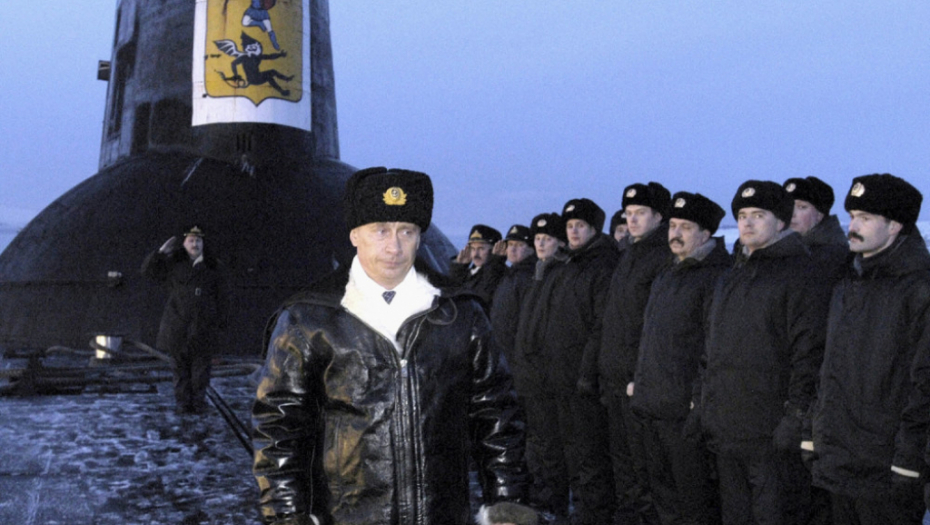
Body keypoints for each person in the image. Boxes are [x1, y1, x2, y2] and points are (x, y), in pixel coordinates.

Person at [251, 167, 534, 525]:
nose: (394, 246)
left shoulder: (460, 314)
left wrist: (508, 502)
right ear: (355, 235)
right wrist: (287, 517)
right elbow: (278, 428)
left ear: (419, 237)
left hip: (441, 515)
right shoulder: (309, 318)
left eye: (406, 231)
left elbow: (497, 415)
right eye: (380, 230)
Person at [699, 180, 832, 525]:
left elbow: (809, 354)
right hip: (728, 427)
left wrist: (796, 417)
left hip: (771, 433)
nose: (747, 222)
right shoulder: (731, 276)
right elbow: (712, 349)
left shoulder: (801, 274)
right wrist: (705, 406)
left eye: (759, 215)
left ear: (781, 221)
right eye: (742, 215)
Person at [808, 174, 929, 524]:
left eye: (865, 218)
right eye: (852, 216)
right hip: (840, 462)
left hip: (887, 469)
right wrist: (814, 434)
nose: (853, 226)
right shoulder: (848, 284)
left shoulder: (919, 289)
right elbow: (828, 368)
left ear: (894, 226)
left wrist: (909, 460)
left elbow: (924, 383)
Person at [632, 192, 729, 525]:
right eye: (673, 225)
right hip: (653, 406)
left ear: (705, 233)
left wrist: (696, 403)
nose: (675, 234)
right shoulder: (667, 274)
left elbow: (712, 346)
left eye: (685, 227)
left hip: (684, 412)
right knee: (663, 496)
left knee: (694, 501)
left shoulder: (715, 276)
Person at [520, 199, 619, 524]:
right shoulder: (569, 268)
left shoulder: (602, 266)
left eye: (580, 226)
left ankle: (594, 517)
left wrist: (586, 375)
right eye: (570, 226)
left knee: (589, 459)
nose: (574, 231)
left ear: (594, 229)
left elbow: (600, 326)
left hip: (583, 383)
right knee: (568, 456)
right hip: (559, 381)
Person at [599, 181, 672, 525]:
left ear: (658, 216)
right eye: (628, 213)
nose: (632, 219)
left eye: (640, 212)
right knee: (624, 465)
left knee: (647, 469)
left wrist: (640, 375)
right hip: (615, 377)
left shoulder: (661, 257)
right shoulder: (628, 254)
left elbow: (654, 326)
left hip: (639, 382)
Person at [515, 212, 571, 521]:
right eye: (537, 239)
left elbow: (553, 328)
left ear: (559, 242)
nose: (540, 244)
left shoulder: (559, 274)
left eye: (546, 239)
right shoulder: (539, 273)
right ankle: (542, 499)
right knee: (537, 444)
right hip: (530, 375)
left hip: (547, 376)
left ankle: (553, 503)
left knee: (550, 446)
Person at [142, 225, 228, 414]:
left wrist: (220, 325)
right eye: (191, 240)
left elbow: (222, 297)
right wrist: (160, 253)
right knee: (180, 372)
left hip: (202, 327)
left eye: (198, 240)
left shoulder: (213, 267)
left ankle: (198, 404)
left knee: (200, 373)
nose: (194, 244)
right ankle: (183, 405)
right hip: (178, 326)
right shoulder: (174, 264)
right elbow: (149, 272)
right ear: (184, 244)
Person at [783, 176, 848, 282]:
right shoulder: (788, 250)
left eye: (802, 207)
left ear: (819, 215)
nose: (792, 214)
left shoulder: (832, 258)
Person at [450, 224, 507, 310]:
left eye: (481, 249)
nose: (476, 254)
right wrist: (459, 269)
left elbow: (483, 297)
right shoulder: (469, 275)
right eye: (473, 249)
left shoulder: (503, 275)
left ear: (495, 250)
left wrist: (495, 262)